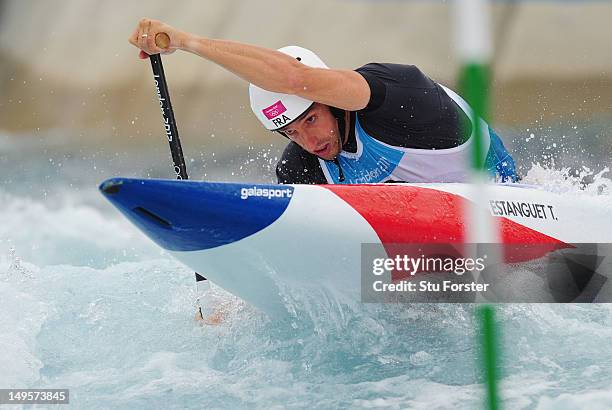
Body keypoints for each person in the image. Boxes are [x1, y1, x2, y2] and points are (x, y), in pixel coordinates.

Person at [129, 19, 518, 185]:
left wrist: (186, 43)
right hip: (424, 256)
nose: (308, 142)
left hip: (511, 212)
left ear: (328, 100)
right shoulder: (301, 166)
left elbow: (297, 80)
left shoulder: (398, 93)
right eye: (291, 132)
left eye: (311, 121)